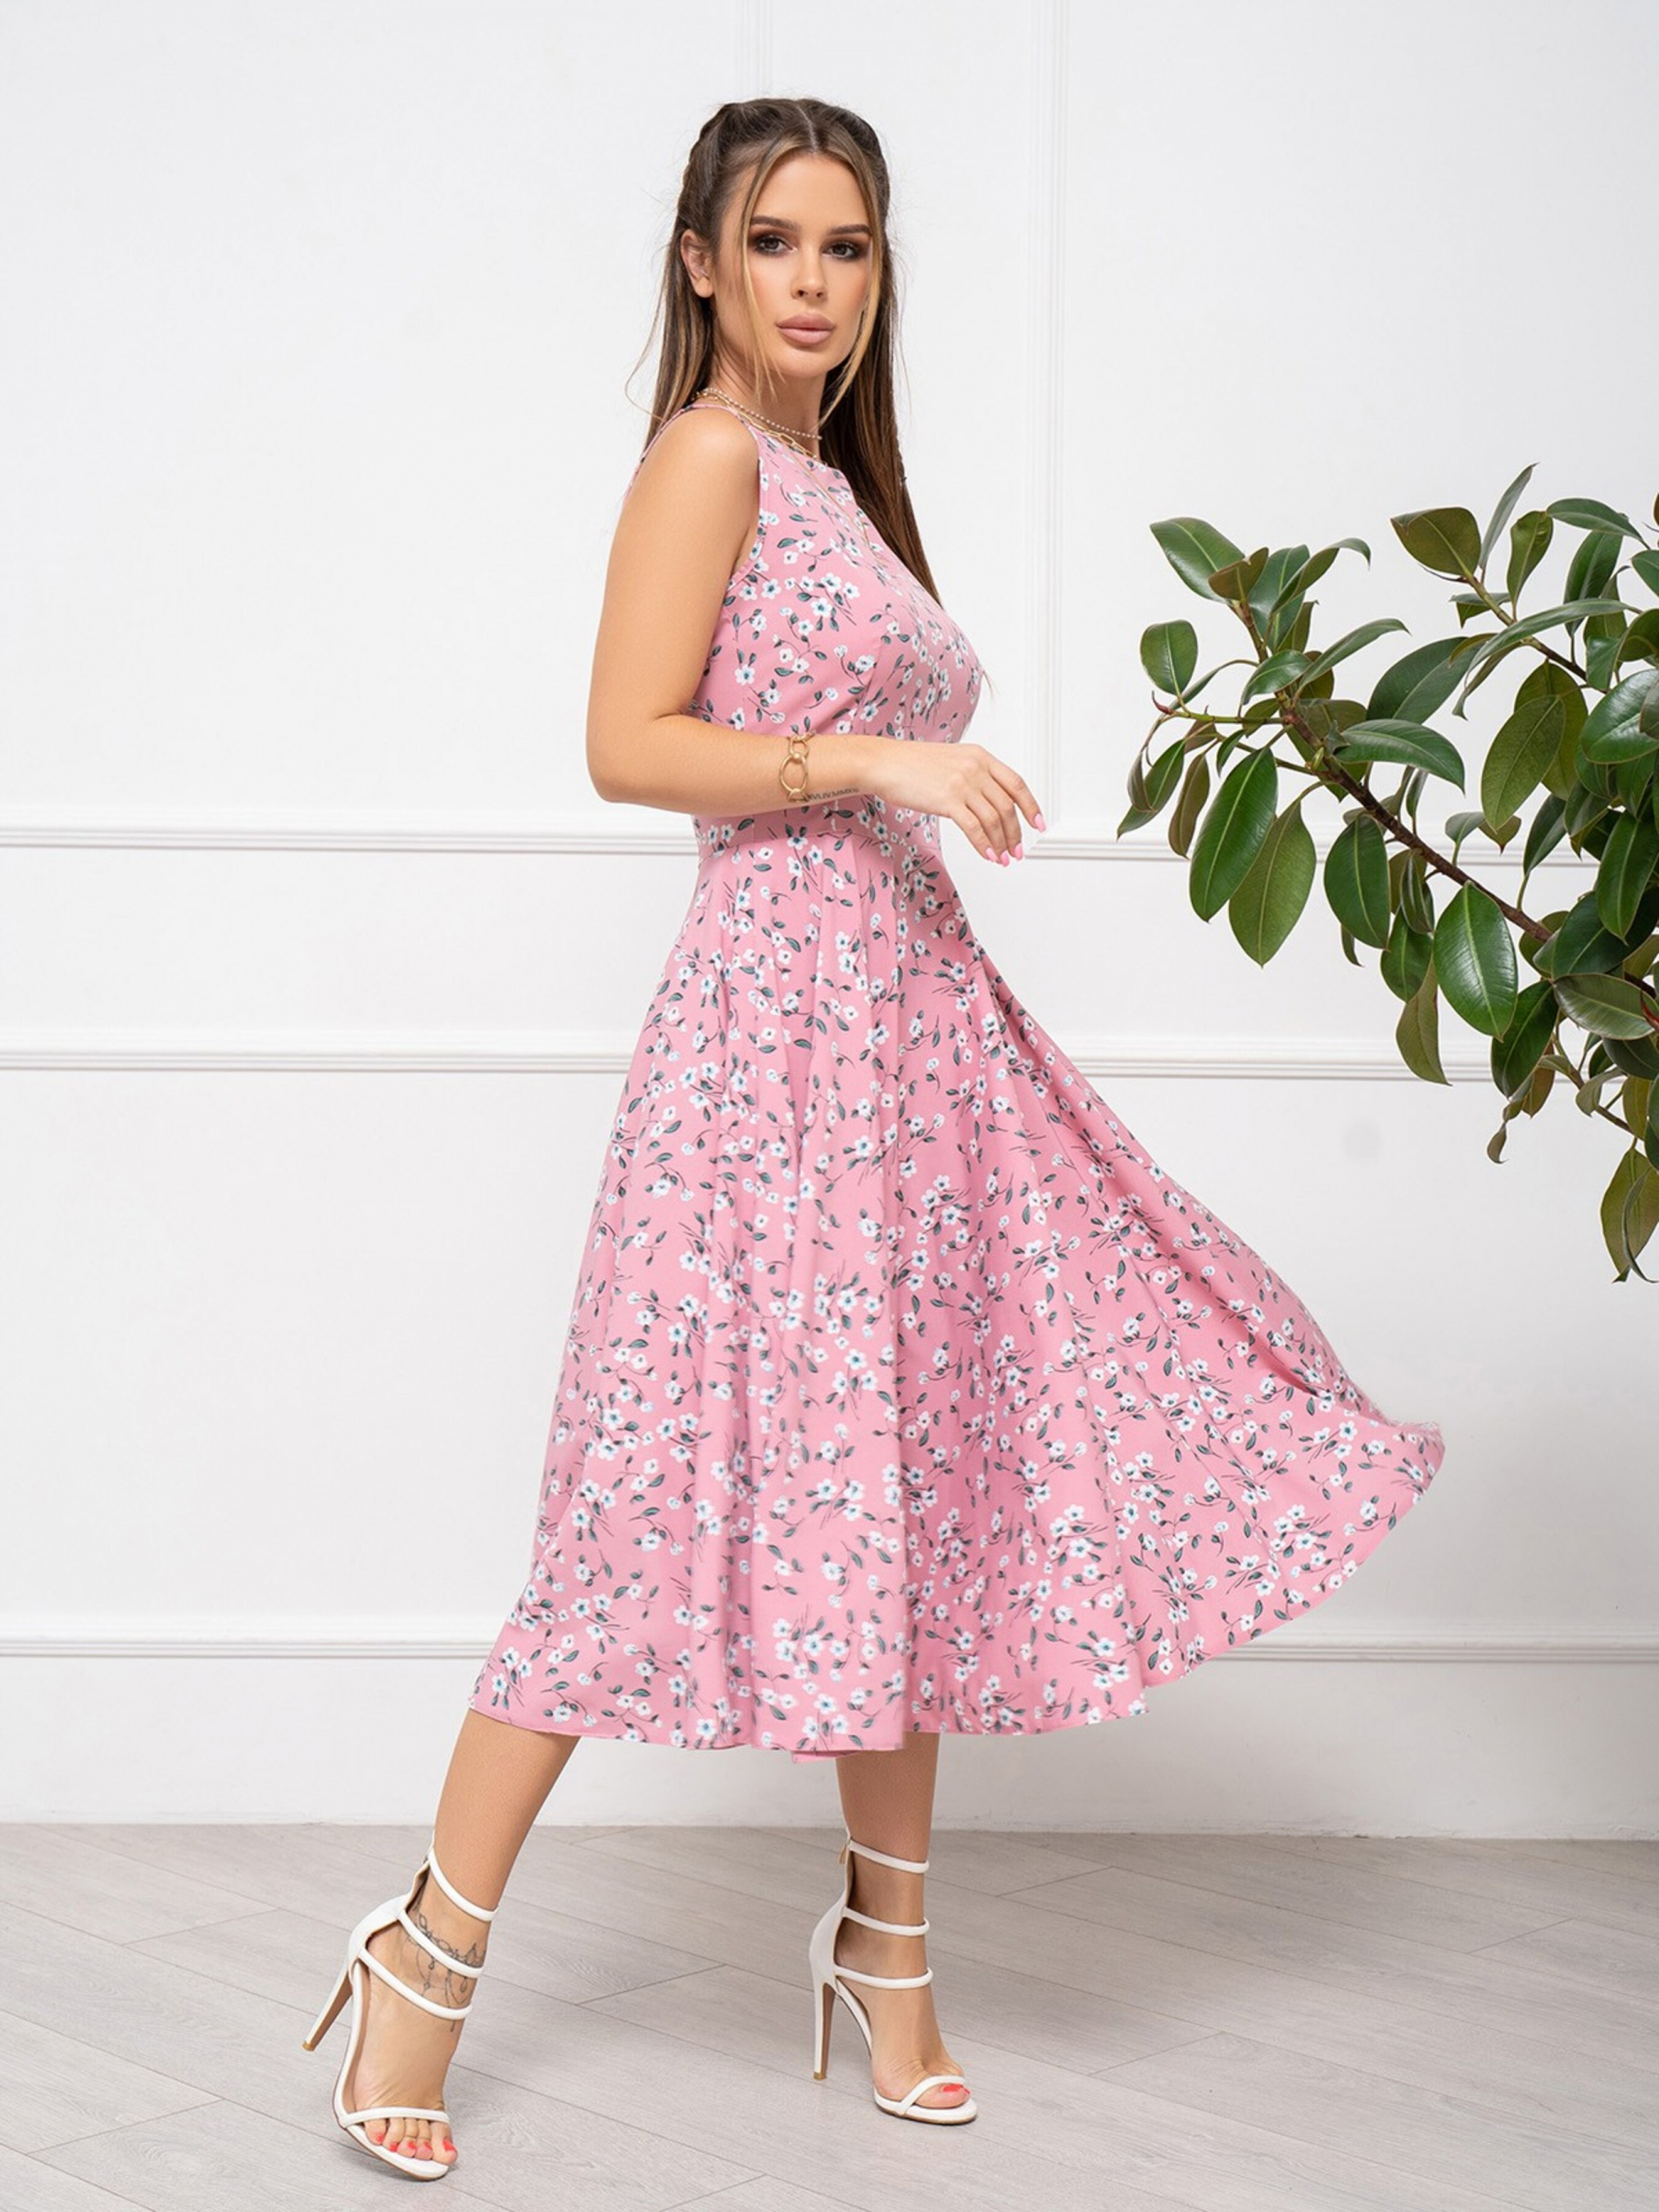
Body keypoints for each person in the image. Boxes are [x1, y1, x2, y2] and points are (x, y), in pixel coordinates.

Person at [302, 96, 1446, 2182]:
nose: (814, 282)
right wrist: (877, 761)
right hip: (764, 1053)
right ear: (700, 263)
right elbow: (622, 741)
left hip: (906, 1053)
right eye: (775, 243)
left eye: (845, 244)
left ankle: (888, 1963)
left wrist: (903, 800)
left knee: (908, 1489)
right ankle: (423, 1959)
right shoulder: (707, 456)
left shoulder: (832, 480)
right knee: (633, 1507)